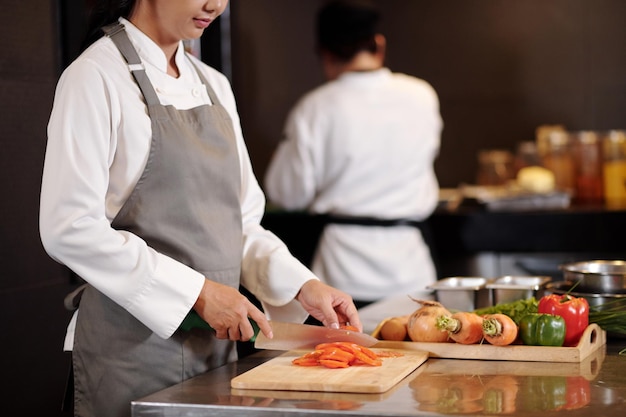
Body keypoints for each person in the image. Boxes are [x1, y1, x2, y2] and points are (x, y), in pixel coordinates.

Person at [39, 1, 361, 416]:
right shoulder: (95, 76)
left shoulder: (213, 84)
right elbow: (70, 227)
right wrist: (198, 292)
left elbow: (241, 222)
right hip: (130, 353)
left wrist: (302, 285)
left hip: (215, 350)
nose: (216, 5)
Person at [264, 0, 443, 309]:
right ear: (379, 44)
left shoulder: (315, 106)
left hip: (341, 272)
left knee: (344, 355)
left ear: (326, 55)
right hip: (411, 270)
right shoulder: (422, 94)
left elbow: (286, 194)